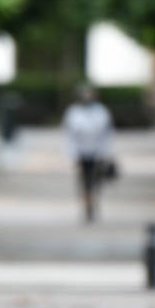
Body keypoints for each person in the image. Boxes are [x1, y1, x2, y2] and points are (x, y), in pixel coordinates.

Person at [62, 84, 114, 222]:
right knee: (84, 180)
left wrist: (105, 152)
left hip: (97, 151)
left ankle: (93, 202)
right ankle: (86, 205)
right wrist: (72, 153)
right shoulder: (73, 112)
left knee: (96, 180)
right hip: (81, 152)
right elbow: (70, 134)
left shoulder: (101, 111)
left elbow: (106, 133)